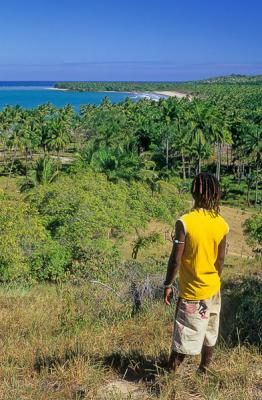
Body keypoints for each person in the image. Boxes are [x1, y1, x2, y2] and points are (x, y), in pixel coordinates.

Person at [164, 172, 229, 374]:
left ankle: (169, 374)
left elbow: (176, 258)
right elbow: (220, 260)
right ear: (216, 194)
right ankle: (204, 369)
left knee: (184, 335)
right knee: (210, 331)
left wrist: (168, 284)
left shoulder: (185, 222)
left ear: (194, 191)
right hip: (213, 289)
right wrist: (214, 280)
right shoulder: (221, 223)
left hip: (192, 292)